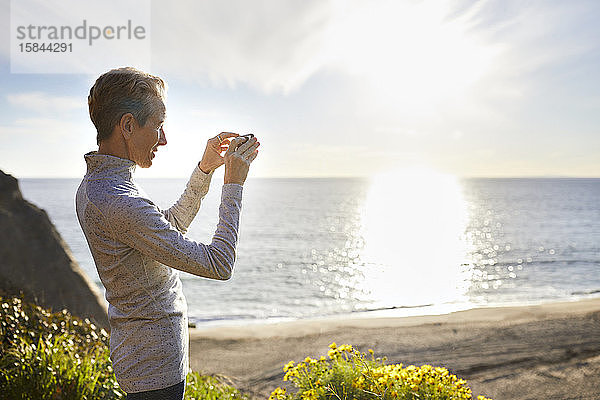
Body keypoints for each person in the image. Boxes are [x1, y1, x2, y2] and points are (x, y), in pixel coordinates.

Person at [75, 67, 259, 399]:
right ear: (128, 125)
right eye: (158, 126)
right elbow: (219, 264)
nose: (163, 138)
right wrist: (233, 184)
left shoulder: (103, 185)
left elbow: (167, 228)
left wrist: (205, 170)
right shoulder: (117, 200)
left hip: (145, 360)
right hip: (154, 372)